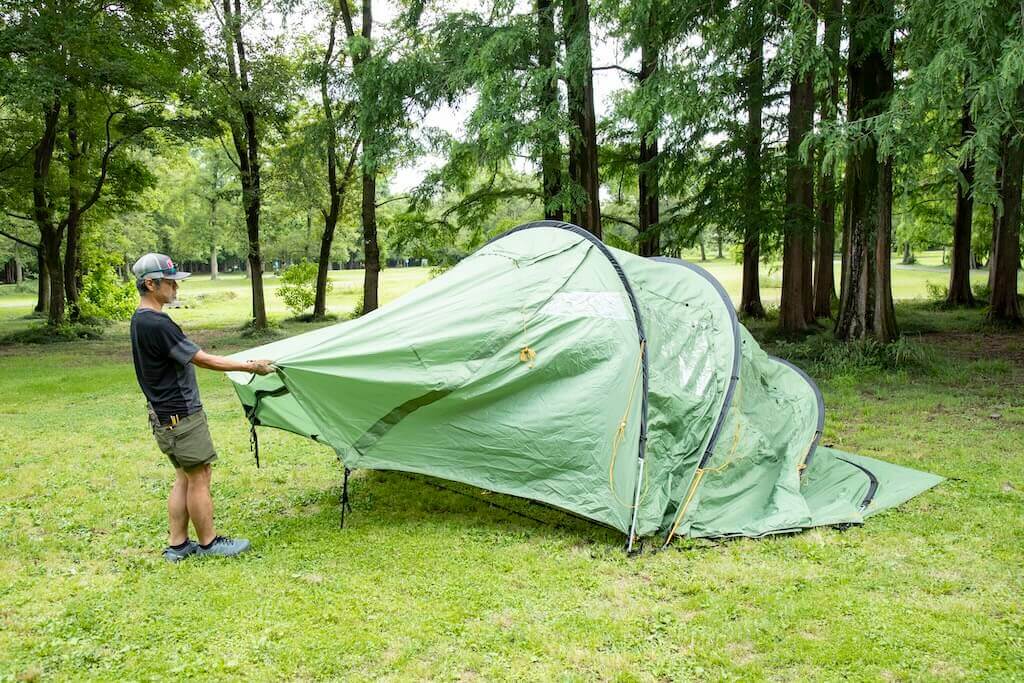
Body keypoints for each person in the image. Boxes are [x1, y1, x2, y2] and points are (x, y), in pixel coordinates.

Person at [129, 253, 275, 562]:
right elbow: (203, 359)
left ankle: (179, 545)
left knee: (184, 476)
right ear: (151, 284)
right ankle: (209, 543)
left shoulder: (139, 319)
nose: (176, 288)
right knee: (200, 476)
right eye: (170, 283)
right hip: (181, 415)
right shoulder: (157, 323)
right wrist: (250, 366)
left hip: (163, 415)